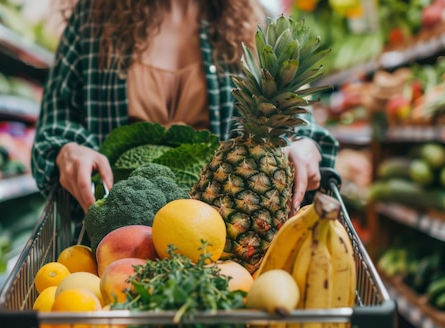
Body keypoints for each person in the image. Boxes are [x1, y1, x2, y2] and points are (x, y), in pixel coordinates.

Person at [31, 0, 339, 218]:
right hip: (115, 231)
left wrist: (305, 145)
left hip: (223, 229)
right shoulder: (93, 17)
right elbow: (54, 124)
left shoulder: (251, 22)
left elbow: (298, 125)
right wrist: (67, 149)